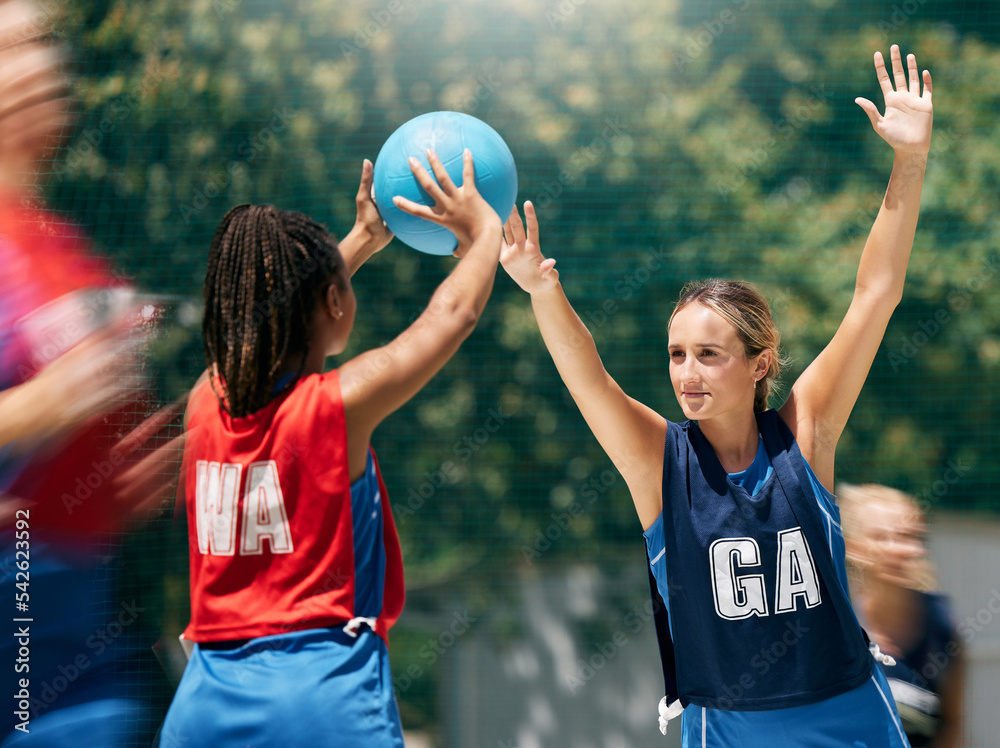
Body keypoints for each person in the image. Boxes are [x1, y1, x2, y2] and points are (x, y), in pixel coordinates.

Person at [500, 45, 932, 746]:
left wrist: (909, 159)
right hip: (728, 727)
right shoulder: (658, 462)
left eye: (709, 354)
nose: (687, 373)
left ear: (760, 364)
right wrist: (543, 290)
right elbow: (589, 378)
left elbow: (874, 297)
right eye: (676, 354)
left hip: (849, 715)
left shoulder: (804, 434)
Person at [158, 149, 502, 747]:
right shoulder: (335, 406)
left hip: (203, 703)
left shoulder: (203, 401)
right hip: (318, 696)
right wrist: (484, 232)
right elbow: (454, 315)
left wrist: (362, 240)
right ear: (335, 303)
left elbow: (270, 321)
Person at [0, 1, 178, 744]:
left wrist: (120, 480)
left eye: (43, 43)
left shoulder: (58, 245)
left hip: (82, 616)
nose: (42, 66)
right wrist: (50, 403)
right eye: (11, 49)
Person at [839, 484, 965, 748]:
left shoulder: (941, 626)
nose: (905, 549)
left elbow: (953, 724)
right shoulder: (837, 631)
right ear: (854, 549)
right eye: (884, 537)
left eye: (911, 537)